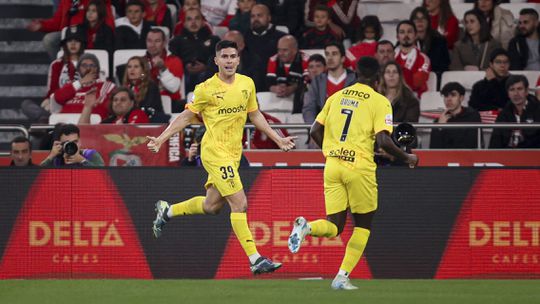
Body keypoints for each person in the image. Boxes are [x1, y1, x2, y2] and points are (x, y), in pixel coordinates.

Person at [146, 40, 296, 274]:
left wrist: (278, 139)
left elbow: (255, 114)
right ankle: (255, 259)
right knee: (240, 203)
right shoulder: (205, 88)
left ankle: (168, 211)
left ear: (238, 59)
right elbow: (186, 117)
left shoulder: (247, 84)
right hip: (215, 152)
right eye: (224, 56)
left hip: (234, 153)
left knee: (211, 206)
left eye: (232, 56)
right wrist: (161, 138)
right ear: (216, 61)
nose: (228, 60)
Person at [287, 56, 418, 290]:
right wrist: (407, 157)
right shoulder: (379, 101)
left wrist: (330, 152)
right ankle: (341, 277)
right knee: (363, 225)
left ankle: (307, 227)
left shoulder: (336, 97)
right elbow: (384, 141)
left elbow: (315, 129)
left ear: (355, 74)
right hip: (359, 167)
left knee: (334, 227)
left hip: (333, 165)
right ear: (377, 79)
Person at [25, 0, 114, 59]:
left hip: (87, 34)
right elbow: (57, 22)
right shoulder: (65, 1)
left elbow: (107, 16)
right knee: (49, 39)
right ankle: (62, 66)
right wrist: (41, 25)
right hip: (67, 35)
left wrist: (102, 33)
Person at [169, 8, 220, 93]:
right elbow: (172, 61)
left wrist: (206, 68)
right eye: (189, 19)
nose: (193, 22)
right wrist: (184, 67)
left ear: (203, 22)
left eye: (197, 18)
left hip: (208, 74)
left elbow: (220, 62)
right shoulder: (176, 41)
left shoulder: (214, 40)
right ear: (184, 23)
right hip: (184, 75)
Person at [303, 42, 356, 124]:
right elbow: (309, 108)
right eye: (327, 54)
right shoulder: (317, 81)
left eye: (334, 54)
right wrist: (314, 128)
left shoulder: (355, 80)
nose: (330, 58)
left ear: (342, 58)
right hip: (324, 129)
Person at [54, 53, 116, 119]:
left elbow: (102, 108)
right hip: (65, 124)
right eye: (84, 65)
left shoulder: (107, 85)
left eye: (92, 65)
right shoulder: (72, 85)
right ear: (78, 69)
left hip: (91, 123)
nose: (88, 68)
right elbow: (58, 98)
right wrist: (80, 82)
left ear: (97, 69)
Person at [489, 75, 540, 148]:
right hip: (507, 156)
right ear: (508, 94)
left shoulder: (538, 109)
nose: (516, 93)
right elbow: (495, 143)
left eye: (519, 89)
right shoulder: (503, 114)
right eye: (512, 90)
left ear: (527, 91)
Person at [244, 4, 287, 90]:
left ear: (269, 18)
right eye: (253, 16)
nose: (255, 19)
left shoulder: (282, 38)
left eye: (259, 15)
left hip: (275, 85)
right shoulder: (244, 38)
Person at [43, 26, 85, 111]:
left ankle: (44, 118)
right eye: (69, 41)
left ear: (82, 44)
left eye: (76, 41)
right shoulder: (56, 65)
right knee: (30, 104)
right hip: (60, 102)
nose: (73, 44)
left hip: (81, 102)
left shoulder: (89, 63)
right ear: (65, 45)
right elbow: (52, 91)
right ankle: (45, 118)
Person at [430, 82, 482, 149]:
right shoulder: (439, 120)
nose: (449, 99)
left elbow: (472, 145)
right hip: (445, 158)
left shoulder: (473, 116)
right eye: (446, 95)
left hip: (467, 157)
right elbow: (433, 150)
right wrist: (439, 128)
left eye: (453, 95)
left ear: (461, 98)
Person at [267, 35, 309, 113]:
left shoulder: (305, 59)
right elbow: (268, 82)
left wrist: (293, 88)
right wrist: (275, 88)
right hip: (278, 101)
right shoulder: (273, 60)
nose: (280, 53)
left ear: (295, 50)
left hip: (300, 103)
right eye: (279, 50)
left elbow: (307, 81)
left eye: (285, 50)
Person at [394, 20, 432, 97]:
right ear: (397, 37)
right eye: (402, 32)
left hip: (415, 99)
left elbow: (417, 81)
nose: (406, 35)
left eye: (409, 32)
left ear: (415, 35)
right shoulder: (391, 56)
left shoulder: (424, 59)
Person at [410, 6, 450, 76]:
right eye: (416, 19)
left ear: (428, 21)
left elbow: (444, 65)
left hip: (434, 77)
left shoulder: (439, 41)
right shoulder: (405, 41)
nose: (420, 21)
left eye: (423, 18)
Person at [79, 86, 150, 124]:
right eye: (115, 100)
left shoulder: (139, 114)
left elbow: (131, 135)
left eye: (123, 100)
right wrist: (87, 107)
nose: (118, 102)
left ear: (132, 103)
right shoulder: (108, 121)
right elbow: (84, 133)